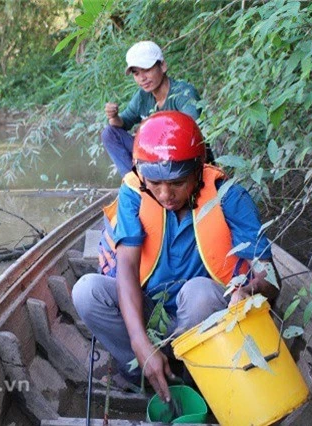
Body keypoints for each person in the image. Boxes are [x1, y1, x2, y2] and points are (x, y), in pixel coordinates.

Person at [73, 111, 279, 404]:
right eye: (155, 184)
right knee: (87, 291)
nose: (165, 195)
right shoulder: (135, 192)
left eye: (177, 183)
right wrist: (140, 343)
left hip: (204, 322)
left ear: (198, 170)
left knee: (200, 293)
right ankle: (143, 371)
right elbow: (127, 266)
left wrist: (248, 289)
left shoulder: (230, 197)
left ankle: (192, 375)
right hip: (152, 317)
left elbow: (270, 277)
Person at [102, 40, 203, 177]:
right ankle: (134, 182)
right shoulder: (143, 97)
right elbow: (122, 123)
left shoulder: (183, 93)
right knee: (109, 133)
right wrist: (114, 116)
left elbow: (193, 129)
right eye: (136, 73)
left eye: (147, 70)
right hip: (154, 156)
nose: (142, 78)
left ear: (163, 66)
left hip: (181, 158)